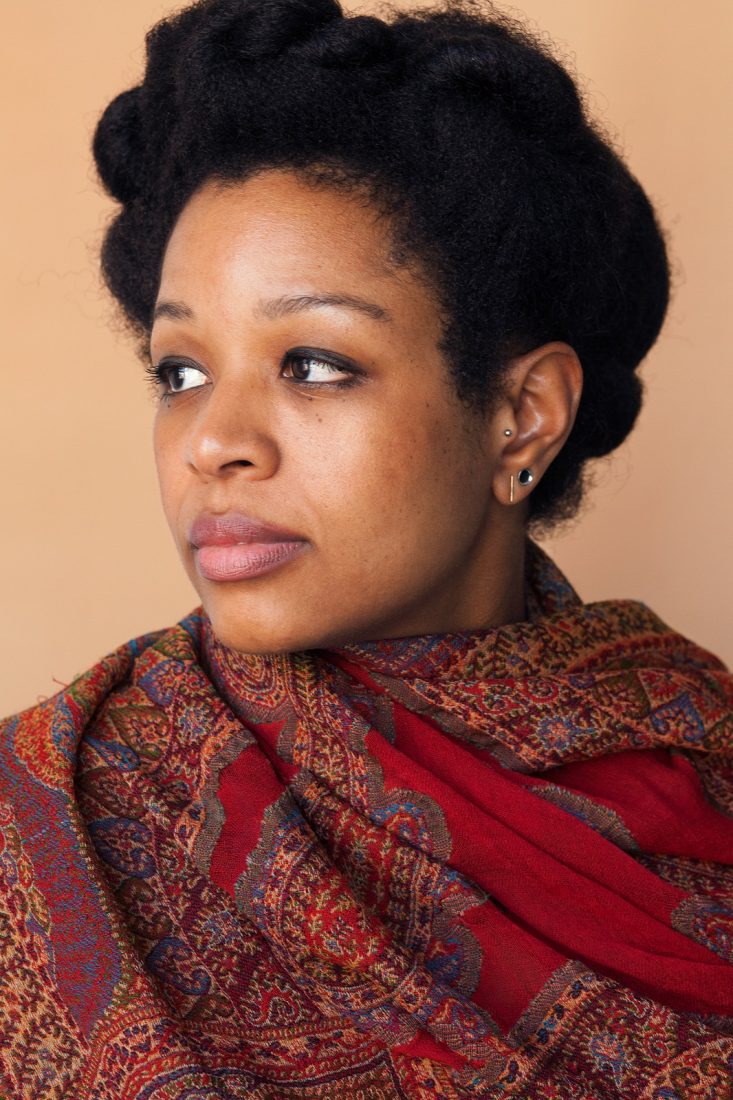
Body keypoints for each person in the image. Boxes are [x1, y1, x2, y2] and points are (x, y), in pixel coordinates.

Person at [1, 0, 731, 1095]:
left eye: (313, 363)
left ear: (522, 414)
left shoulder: (700, 778)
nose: (215, 442)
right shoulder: (49, 825)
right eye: (180, 372)